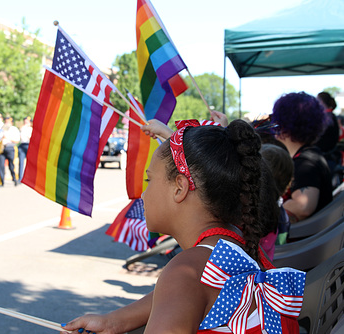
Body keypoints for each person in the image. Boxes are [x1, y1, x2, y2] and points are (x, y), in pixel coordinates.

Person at [61, 119, 304, 334]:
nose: (143, 195)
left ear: (180, 187)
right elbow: (183, 294)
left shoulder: (185, 270)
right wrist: (114, 321)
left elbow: (182, 286)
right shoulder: (231, 246)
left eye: (150, 180)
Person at [271, 92, 333, 222]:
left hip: (300, 240)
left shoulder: (306, 163)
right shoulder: (310, 155)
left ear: (284, 124)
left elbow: (303, 207)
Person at [0, 116, 20, 187]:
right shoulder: (1, 129)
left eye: (8, 122)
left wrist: (9, 138)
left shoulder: (14, 129)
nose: (7, 123)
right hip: (2, 148)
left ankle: (15, 179)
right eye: (6, 121)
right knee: (1, 165)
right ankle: (1, 182)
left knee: (11, 165)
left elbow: (17, 140)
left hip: (10, 147)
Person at [18, 116, 32, 183]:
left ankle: (30, 178)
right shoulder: (22, 128)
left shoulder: (30, 129)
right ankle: (20, 177)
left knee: (30, 162)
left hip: (28, 145)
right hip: (22, 144)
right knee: (21, 162)